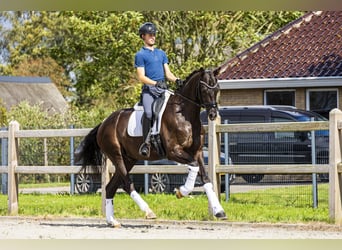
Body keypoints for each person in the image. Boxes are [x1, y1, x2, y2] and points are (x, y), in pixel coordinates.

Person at [135, 22, 182, 157]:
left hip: (162, 90)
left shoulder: (161, 53)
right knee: (149, 114)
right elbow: (141, 77)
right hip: (149, 90)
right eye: (150, 35)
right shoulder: (140, 55)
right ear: (143, 36)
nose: (153, 37)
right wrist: (155, 83)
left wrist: (177, 80)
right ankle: (145, 143)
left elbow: (168, 74)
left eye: (154, 34)